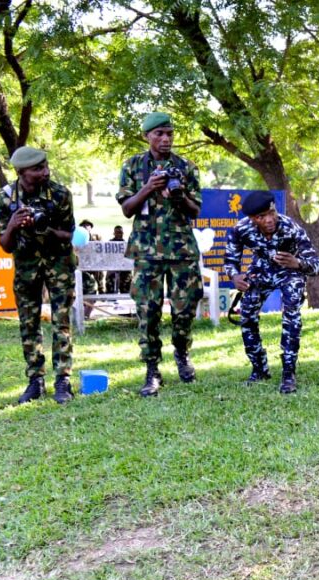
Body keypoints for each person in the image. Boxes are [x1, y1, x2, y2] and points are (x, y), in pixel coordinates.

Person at [116, 112, 203, 397]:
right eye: (159, 134)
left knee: (184, 310)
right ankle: (152, 369)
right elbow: (128, 209)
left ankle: (182, 354)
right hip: (147, 251)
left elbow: (195, 211)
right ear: (147, 136)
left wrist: (180, 197)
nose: (165, 139)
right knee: (148, 312)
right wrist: (148, 188)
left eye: (169, 133)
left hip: (181, 251)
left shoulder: (186, 167)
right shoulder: (132, 166)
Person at [0, 146, 77, 404]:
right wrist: (13, 225)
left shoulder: (60, 194)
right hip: (26, 268)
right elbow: (5, 245)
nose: (45, 172)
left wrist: (46, 229)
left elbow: (68, 234)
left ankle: (63, 380)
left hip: (59, 264)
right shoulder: (5, 198)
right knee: (28, 323)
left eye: (45, 166)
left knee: (61, 321)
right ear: (21, 172)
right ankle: (35, 381)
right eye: (37, 169)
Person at [223, 191, 319, 394]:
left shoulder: (291, 228)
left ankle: (288, 373)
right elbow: (230, 261)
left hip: (290, 271)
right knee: (247, 316)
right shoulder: (240, 230)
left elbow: (317, 265)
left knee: (291, 316)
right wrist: (235, 277)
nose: (269, 220)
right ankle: (259, 369)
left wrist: (298, 263)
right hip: (260, 271)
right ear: (252, 219)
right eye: (261, 217)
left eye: (271, 213)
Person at [105, 225, 132, 294]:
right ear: (114, 233)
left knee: (126, 287)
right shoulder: (109, 244)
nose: (119, 234)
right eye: (117, 232)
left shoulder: (126, 244)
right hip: (112, 270)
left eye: (121, 232)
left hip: (124, 270)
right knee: (110, 288)